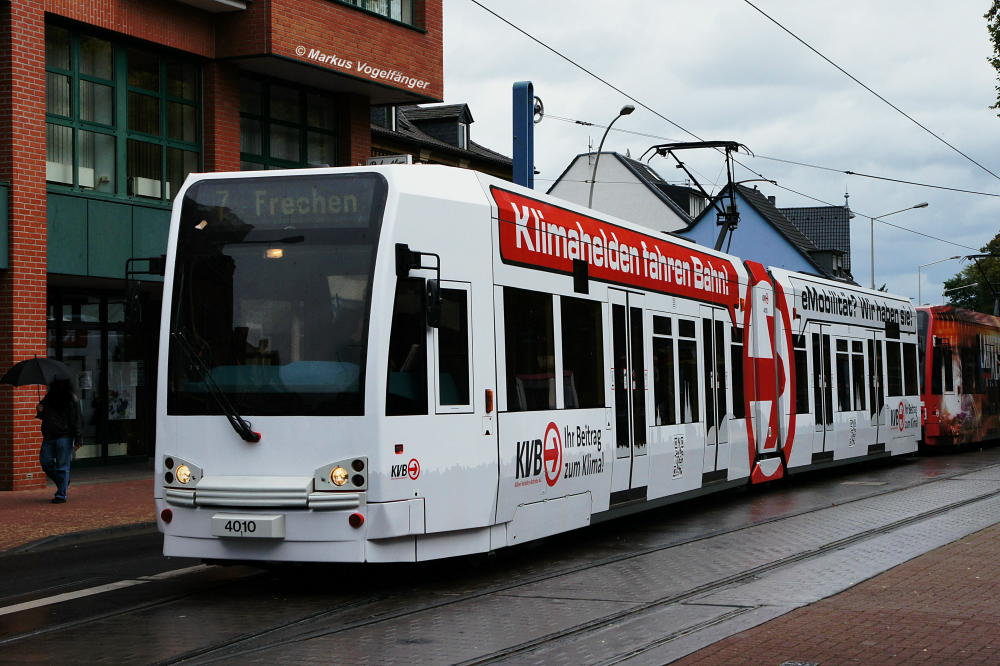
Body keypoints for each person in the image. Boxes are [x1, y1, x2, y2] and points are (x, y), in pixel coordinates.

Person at [35, 378, 83, 504]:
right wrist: (39, 410)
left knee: (63, 466)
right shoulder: (48, 397)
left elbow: (76, 418)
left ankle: (61, 495)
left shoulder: (72, 398)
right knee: (45, 462)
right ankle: (63, 482)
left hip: (65, 436)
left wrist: (78, 437)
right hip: (49, 435)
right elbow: (44, 415)